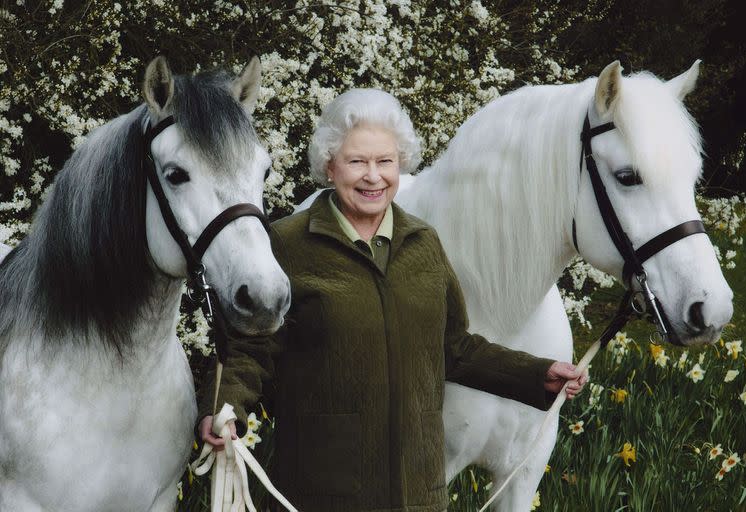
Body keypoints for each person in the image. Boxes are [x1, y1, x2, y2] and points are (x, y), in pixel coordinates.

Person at [197, 89, 586, 512]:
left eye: (385, 161)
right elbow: (253, 347)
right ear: (329, 166)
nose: (373, 176)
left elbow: (455, 346)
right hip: (321, 493)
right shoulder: (289, 243)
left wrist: (537, 374)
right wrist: (223, 408)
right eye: (356, 161)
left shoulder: (423, 243)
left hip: (417, 495)